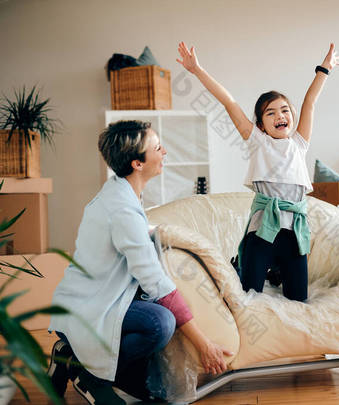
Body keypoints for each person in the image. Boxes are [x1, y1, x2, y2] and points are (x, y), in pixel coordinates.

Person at [47, 121, 232, 404]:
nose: (164, 151)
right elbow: (156, 284)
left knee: (155, 327)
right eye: (157, 147)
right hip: (87, 308)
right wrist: (204, 345)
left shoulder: (122, 191)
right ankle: (82, 367)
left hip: (99, 299)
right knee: (160, 323)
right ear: (137, 163)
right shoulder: (122, 209)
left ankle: (92, 364)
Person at [176, 41, 339, 302]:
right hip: (263, 229)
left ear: (292, 117)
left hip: (294, 232)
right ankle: (245, 266)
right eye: (270, 113)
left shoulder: (299, 145)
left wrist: (324, 69)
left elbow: (310, 101)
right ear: (261, 125)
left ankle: (276, 272)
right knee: (248, 294)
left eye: (285, 110)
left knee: (299, 298)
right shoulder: (257, 141)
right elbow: (228, 102)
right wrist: (197, 70)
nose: (280, 116)